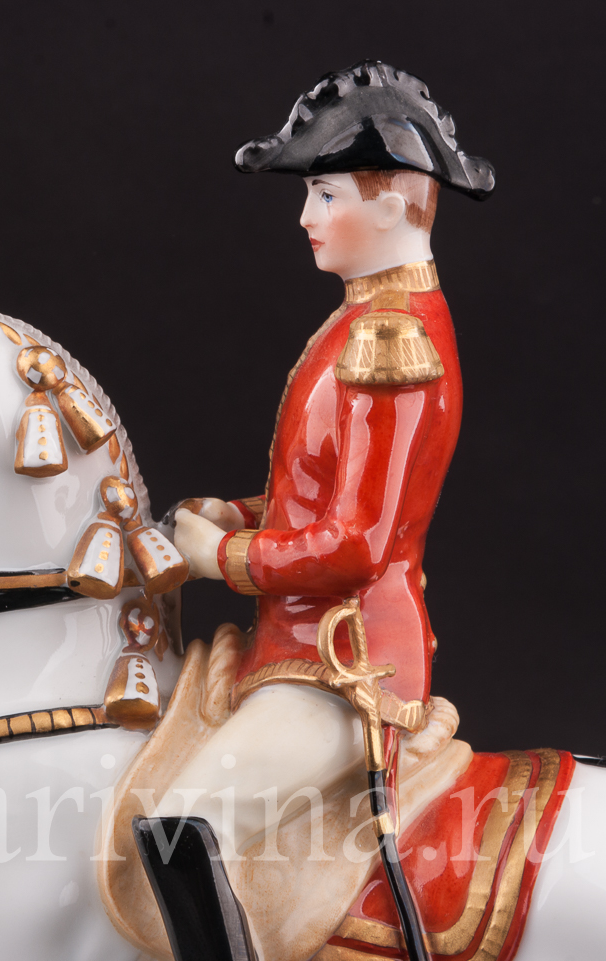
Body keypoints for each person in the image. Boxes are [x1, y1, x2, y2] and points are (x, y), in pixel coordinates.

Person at [159, 60, 494, 852]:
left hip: (347, 660)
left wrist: (223, 557)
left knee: (183, 825)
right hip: (295, 642)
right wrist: (238, 513)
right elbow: (318, 493)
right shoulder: (358, 319)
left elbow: (359, 543)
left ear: (391, 206)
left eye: (326, 195)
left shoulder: (391, 339)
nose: (305, 216)